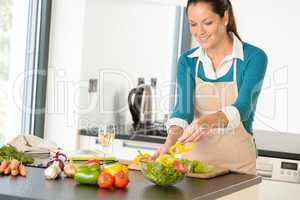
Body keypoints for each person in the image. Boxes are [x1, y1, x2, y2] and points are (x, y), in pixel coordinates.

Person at [152, 0, 267, 175]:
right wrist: (170, 142)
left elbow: (243, 107)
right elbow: (182, 111)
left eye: (207, 23)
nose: (199, 32)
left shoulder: (253, 57)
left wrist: (206, 121)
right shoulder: (187, 61)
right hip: (192, 168)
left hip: (238, 169)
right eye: (193, 24)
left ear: (225, 17)